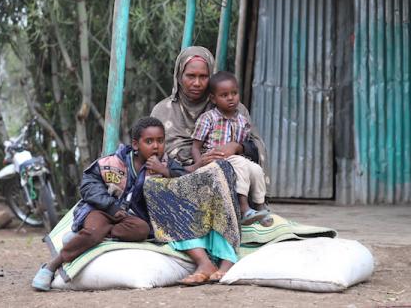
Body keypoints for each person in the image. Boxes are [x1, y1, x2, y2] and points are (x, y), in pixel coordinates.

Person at [148, 46, 271, 285]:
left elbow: (256, 146)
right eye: (190, 76)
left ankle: (226, 259)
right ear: (178, 76)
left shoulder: (231, 105)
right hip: (180, 178)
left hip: (225, 178)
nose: (196, 83)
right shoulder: (163, 110)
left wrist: (237, 146)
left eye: (203, 76)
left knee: (220, 173)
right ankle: (203, 261)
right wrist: (194, 166)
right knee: (154, 187)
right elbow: (152, 152)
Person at [31, 117, 186, 291]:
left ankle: (89, 237)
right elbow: (88, 184)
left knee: (141, 230)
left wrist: (164, 171)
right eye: (149, 141)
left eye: (160, 141)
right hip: (101, 211)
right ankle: (51, 265)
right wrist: (111, 206)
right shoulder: (113, 162)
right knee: (95, 229)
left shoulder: (166, 164)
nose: (156, 146)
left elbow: (185, 180)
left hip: (131, 218)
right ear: (136, 145)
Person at [191, 71, 268, 225]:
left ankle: (260, 206)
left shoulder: (242, 120)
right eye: (224, 95)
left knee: (255, 169)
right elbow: (195, 147)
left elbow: (245, 145)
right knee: (241, 164)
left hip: (236, 160)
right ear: (213, 98)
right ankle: (244, 208)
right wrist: (199, 166)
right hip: (214, 161)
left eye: (234, 93)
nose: (231, 98)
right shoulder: (208, 118)